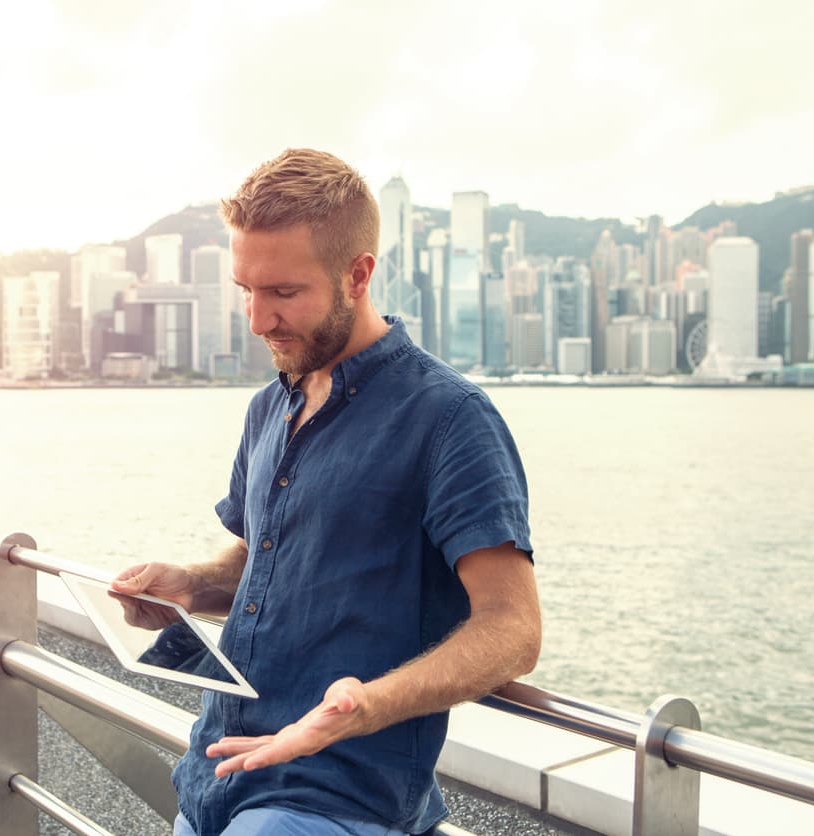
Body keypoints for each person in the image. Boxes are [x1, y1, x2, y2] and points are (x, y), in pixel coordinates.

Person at [113, 148, 541, 836]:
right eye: (245, 290)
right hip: (213, 781)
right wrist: (189, 585)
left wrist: (361, 707)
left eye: (283, 293)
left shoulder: (450, 418)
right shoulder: (266, 408)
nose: (257, 320)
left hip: (333, 803)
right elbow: (261, 565)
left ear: (359, 274)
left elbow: (513, 631)